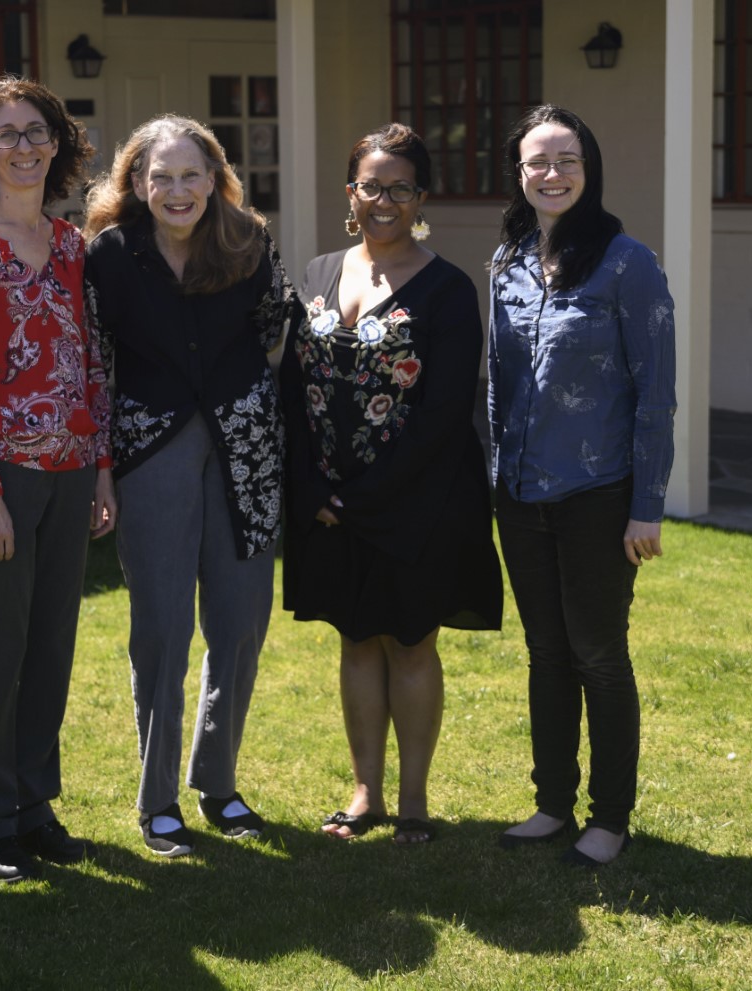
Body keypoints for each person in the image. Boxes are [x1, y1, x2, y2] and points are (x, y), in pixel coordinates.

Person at [280, 123, 503, 846]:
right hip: (328, 502)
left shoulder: (447, 289)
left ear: (421, 197)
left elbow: (443, 413)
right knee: (355, 639)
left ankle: (412, 802)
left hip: (419, 503)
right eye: (370, 185)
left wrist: (363, 497)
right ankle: (364, 791)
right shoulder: (314, 274)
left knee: (410, 642)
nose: (384, 200)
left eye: (400, 187)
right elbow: (289, 387)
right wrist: (313, 487)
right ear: (351, 194)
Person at [83, 115, 298, 856]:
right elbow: (94, 363)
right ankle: (158, 799)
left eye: (191, 175)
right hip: (150, 454)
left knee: (239, 623)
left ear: (215, 178)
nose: (178, 191)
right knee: (162, 631)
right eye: (161, 177)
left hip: (245, 451)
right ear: (136, 185)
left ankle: (220, 781)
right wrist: (101, 469)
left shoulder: (247, 241)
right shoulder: (109, 255)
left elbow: (280, 328)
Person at [0, 76, 114, 883]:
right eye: (6, 133)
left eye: (37, 131)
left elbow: (91, 361)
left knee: (53, 646)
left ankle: (36, 806)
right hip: (2, 477)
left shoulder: (73, 245)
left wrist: (103, 469)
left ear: (57, 143)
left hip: (74, 472)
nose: (24, 146)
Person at [489, 105, 676, 867]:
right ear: (520, 172)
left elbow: (656, 393)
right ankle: (551, 803)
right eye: (538, 161)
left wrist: (647, 508)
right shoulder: (505, 261)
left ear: (589, 170)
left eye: (568, 160)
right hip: (520, 494)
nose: (553, 174)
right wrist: (494, 476)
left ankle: (610, 815)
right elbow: (498, 387)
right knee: (545, 652)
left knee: (598, 653)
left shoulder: (629, 262)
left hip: (599, 492)